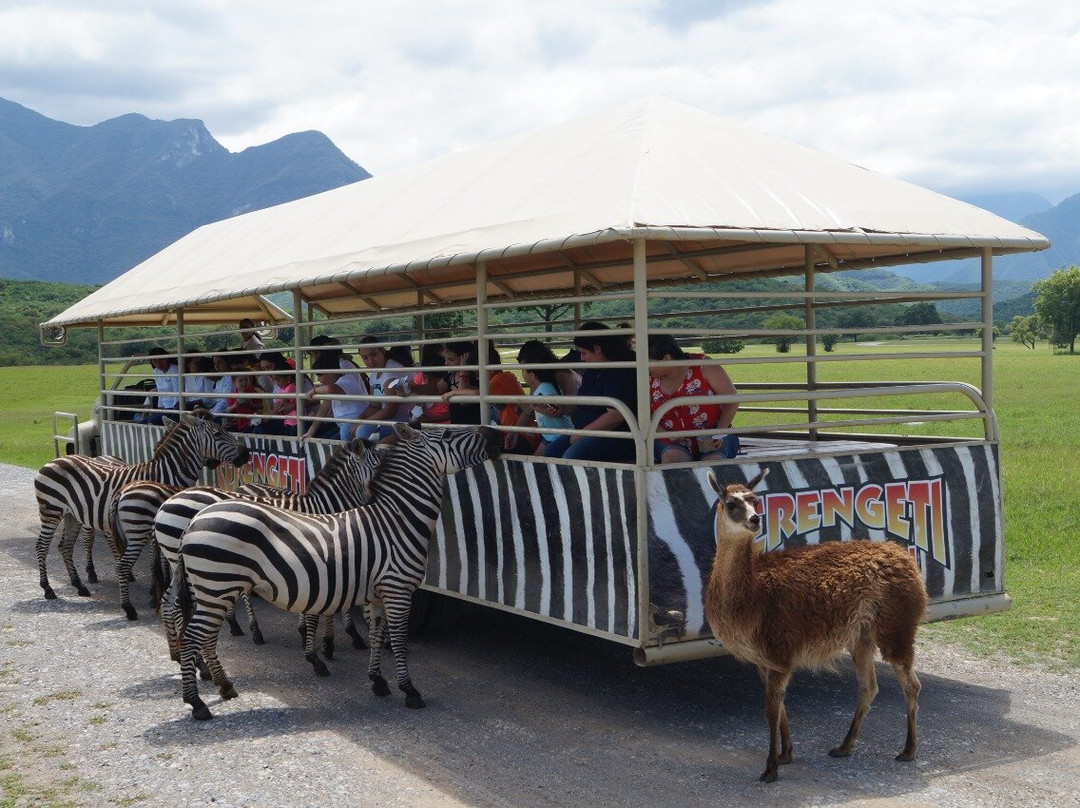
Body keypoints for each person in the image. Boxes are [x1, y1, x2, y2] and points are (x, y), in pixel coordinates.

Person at [544, 322, 637, 463]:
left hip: (615, 437)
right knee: (550, 452)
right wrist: (561, 409)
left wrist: (582, 433)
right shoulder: (594, 369)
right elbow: (582, 402)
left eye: (584, 353)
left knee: (571, 457)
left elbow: (615, 416)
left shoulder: (620, 371)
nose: (582, 358)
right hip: (586, 431)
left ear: (597, 348)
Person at [647, 333, 740, 464]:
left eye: (648, 362)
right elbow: (644, 413)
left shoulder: (704, 366)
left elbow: (732, 400)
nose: (644, 367)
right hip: (671, 441)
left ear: (667, 358)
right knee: (672, 459)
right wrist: (665, 434)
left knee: (713, 461)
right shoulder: (647, 377)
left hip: (713, 436)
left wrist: (718, 433)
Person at [441, 342, 535, 453]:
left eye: (478, 373)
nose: (478, 377)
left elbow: (477, 393)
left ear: (489, 369)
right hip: (514, 431)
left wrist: (453, 393)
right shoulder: (503, 377)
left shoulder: (498, 379)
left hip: (521, 435)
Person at [516, 340, 575, 455]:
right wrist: (514, 432)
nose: (522, 372)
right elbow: (531, 407)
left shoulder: (550, 382)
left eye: (523, 368)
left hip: (560, 432)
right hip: (550, 434)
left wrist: (536, 407)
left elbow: (558, 410)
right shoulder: (540, 384)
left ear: (532, 373)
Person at [355, 336, 411, 441]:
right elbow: (374, 404)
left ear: (382, 351)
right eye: (365, 358)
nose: (370, 361)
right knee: (351, 427)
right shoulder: (375, 371)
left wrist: (363, 423)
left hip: (405, 418)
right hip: (390, 418)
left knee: (363, 431)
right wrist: (359, 419)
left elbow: (390, 410)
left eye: (374, 354)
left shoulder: (392, 371)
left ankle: (366, 457)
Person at [303, 353, 370, 441]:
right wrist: (311, 431)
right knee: (324, 439)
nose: (318, 379)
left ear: (331, 372)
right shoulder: (336, 384)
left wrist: (314, 390)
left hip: (354, 422)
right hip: (344, 424)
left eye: (320, 375)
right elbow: (324, 407)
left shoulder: (347, 380)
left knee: (335, 443)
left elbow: (329, 389)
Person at [134, 347, 180, 425]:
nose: (158, 364)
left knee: (151, 422)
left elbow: (177, 392)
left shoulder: (175, 370)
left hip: (175, 408)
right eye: (155, 361)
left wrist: (174, 413)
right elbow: (160, 392)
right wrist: (160, 409)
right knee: (142, 423)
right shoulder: (156, 372)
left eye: (161, 360)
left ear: (167, 358)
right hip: (165, 408)